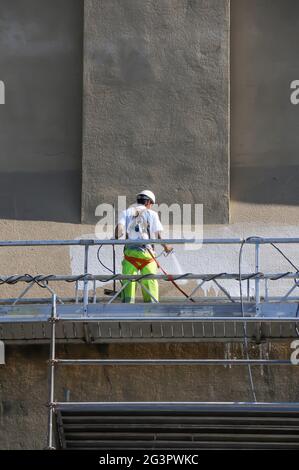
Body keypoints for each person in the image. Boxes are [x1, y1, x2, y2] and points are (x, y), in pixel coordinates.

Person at [115, 190, 173, 303]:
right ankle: (151, 309)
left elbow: (119, 232)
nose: (151, 206)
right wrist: (167, 247)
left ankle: (128, 307)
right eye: (151, 204)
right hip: (147, 255)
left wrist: (117, 235)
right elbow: (159, 235)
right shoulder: (152, 214)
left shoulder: (126, 212)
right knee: (150, 282)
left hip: (130, 256)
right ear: (148, 202)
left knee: (128, 282)